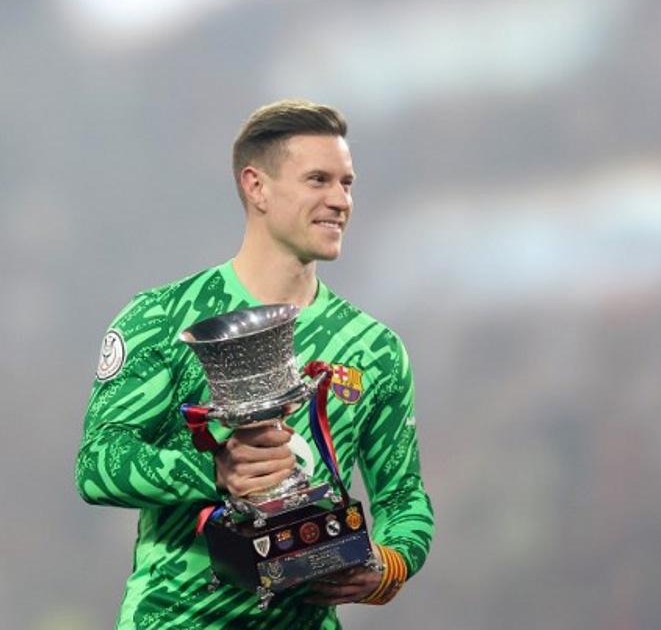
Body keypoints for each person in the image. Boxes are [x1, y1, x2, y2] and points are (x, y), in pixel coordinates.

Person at [76, 99, 433, 629]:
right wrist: (217, 470)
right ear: (256, 186)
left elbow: (403, 497)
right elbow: (99, 465)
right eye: (318, 180)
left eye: (347, 183)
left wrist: (389, 565)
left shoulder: (374, 348)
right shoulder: (162, 317)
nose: (340, 200)